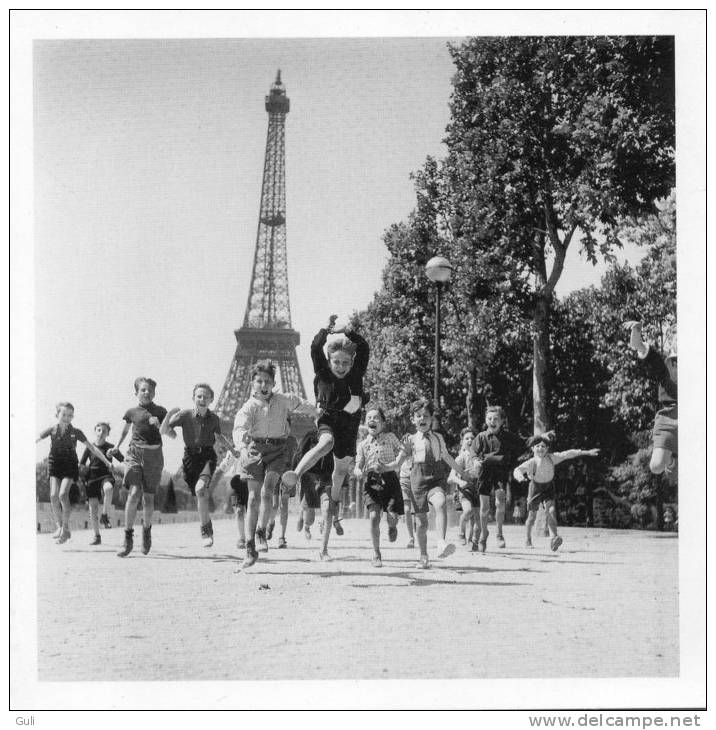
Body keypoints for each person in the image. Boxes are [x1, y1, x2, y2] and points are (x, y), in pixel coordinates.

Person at [281, 315, 369, 556]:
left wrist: (348, 332)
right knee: (326, 442)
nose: (341, 367)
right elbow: (313, 347)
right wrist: (327, 331)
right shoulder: (322, 373)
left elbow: (364, 347)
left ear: (352, 363)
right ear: (328, 361)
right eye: (336, 362)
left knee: (337, 482)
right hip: (329, 420)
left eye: (345, 363)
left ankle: (324, 547)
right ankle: (295, 474)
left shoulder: (356, 375)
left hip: (349, 428)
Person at [232, 361, 317, 568]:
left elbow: (301, 404)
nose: (263, 385)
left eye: (267, 381)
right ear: (252, 383)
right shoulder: (249, 406)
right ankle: (250, 544)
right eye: (259, 381)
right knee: (252, 498)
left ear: (273, 383)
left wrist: (318, 412)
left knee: (268, 491)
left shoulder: (282, 400)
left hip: (278, 450)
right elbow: (239, 427)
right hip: (254, 449)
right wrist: (242, 447)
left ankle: (261, 531)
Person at [397, 399, 468, 569]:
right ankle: (423, 556)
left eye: (426, 416)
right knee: (422, 523)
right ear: (413, 419)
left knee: (441, 502)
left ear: (432, 419)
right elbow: (398, 462)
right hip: (417, 480)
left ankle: (441, 542)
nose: (422, 418)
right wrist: (385, 467)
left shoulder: (438, 437)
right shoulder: (410, 439)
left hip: (436, 477)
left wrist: (462, 472)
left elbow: (447, 457)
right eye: (418, 416)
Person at [108, 377, 171, 557]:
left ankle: (146, 531)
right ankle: (127, 538)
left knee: (148, 500)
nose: (147, 392)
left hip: (154, 455)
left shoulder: (161, 411)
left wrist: (160, 425)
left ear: (154, 393)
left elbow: (169, 433)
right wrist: (117, 447)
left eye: (150, 390)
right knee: (134, 492)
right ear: (136, 392)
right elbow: (125, 430)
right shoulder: (131, 412)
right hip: (134, 453)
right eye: (143, 390)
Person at [161, 383, 228, 548]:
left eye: (206, 396)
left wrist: (233, 450)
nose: (202, 399)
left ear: (211, 399)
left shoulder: (214, 419)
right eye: (199, 396)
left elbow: (219, 437)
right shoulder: (184, 415)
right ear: (193, 399)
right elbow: (165, 430)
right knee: (200, 495)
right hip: (190, 457)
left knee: (200, 490)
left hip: (207, 457)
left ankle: (204, 530)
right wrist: (169, 414)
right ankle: (207, 524)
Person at [37, 403, 113, 544]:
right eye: (64, 414)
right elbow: (36, 439)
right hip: (54, 465)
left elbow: (93, 448)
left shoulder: (76, 432)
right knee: (53, 495)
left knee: (62, 494)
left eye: (70, 415)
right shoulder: (52, 430)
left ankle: (66, 529)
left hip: (70, 466)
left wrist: (107, 461)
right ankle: (59, 526)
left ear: (73, 417)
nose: (67, 418)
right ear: (57, 415)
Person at [513, 433, 599, 550]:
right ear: (532, 448)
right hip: (535, 488)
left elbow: (568, 454)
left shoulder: (552, 458)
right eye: (537, 446)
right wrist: (520, 477)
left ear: (547, 448)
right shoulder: (531, 462)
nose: (540, 449)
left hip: (548, 486)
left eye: (543, 446)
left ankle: (554, 538)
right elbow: (517, 470)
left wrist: (586, 452)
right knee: (532, 516)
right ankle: (527, 539)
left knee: (551, 510)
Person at [470, 406, 526, 552]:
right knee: (484, 508)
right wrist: (475, 460)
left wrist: (541, 438)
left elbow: (524, 442)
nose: (492, 421)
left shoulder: (507, 436)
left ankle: (499, 533)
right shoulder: (481, 436)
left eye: (496, 419)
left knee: (500, 502)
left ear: (502, 421)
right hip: (485, 473)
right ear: (485, 420)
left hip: (500, 473)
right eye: (489, 418)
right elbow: (473, 452)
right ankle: (483, 535)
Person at [354, 407, 404, 568]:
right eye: (369, 417)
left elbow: (402, 452)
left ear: (383, 423)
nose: (372, 420)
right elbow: (358, 464)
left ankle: (392, 526)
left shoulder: (391, 437)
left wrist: (392, 466)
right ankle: (376, 553)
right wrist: (357, 471)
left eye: (376, 418)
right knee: (374, 517)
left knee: (392, 517)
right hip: (371, 481)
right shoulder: (362, 444)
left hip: (390, 480)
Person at [625, 321, 677, 476]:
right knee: (656, 466)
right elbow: (639, 346)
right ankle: (671, 460)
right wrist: (636, 332)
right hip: (669, 416)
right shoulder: (664, 365)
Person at [79, 422, 123, 545]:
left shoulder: (111, 447)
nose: (101, 433)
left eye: (104, 431)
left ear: (108, 433)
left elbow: (123, 460)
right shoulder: (89, 447)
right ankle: (96, 535)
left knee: (108, 489)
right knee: (93, 508)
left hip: (106, 475)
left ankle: (104, 515)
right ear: (95, 431)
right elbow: (81, 463)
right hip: (92, 478)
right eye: (99, 430)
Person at [447, 427, 479, 548]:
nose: (470, 440)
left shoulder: (480, 456)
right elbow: (450, 478)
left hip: (478, 490)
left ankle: (471, 541)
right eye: (467, 438)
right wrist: (460, 482)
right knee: (468, 511)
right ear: (462, 442)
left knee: (475, 518)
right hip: (464, 491)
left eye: (472, 438)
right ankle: (461, 532)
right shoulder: (461, 457)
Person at [265, 434, 298, 549]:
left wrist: (295, 474)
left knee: (284, 505)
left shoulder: (293, 440)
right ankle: (271, 523)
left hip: (288, 473)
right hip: (275, 471)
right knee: (274, 505)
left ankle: (282, 537)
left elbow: (297, 458)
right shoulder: (273, 437)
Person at [398, 452, 416, 549]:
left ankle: (419, 532)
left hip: (418, 480)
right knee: (407, 510)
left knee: (419, 511)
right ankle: (411, 538)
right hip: (404, 480)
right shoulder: (402, 451)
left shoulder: (419, 447)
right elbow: (396, 464)